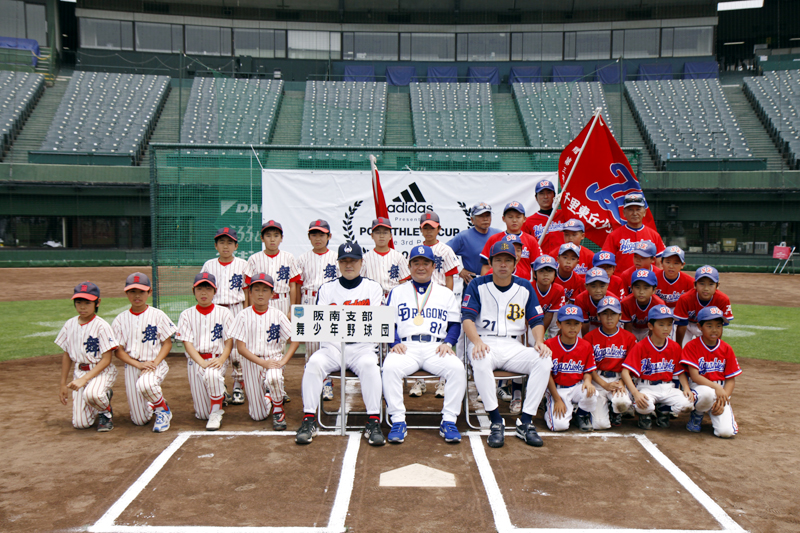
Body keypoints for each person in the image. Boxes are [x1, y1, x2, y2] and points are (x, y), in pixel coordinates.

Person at [462, 240, 553, 448]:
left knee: (543, 360)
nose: (503, 264)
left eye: (508, 260)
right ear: (491, 262)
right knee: (480, 358)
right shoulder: (477, 285)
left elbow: (536, 320)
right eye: (498, 260)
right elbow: (467, 318)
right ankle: (496, 421)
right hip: (485, 342)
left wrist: (539, 341)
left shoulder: (525, 286)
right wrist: (476, 341)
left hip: (514, 346)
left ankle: (526, 421)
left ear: (515, 263)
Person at [296, 242, 386, 446]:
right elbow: (320, 322)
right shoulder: (327, 289)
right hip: (333, 347)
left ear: (361, 263)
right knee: (314, 363)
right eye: (344, 261)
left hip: (362, 347)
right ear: (338, 263)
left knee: (371, 366)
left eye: (353, 260)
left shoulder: (373, 288)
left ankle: (373, 421)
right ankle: (309, 419)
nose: (348, 265)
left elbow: (374, 322)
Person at [383, 245, 465, 444]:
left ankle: (449, 420)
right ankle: (398, 420)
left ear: (433, 266)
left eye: (426, 263)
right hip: (406, 347)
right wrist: (394, 341)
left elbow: (455, 323)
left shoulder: (445, 293)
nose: (421, 267)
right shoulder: (397, 292)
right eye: (416, 263)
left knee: (457, 369)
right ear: (409, 267)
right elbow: (387, 322)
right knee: (389, 368)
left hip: (435, 347)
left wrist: (449, 342)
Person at [230, 273, 300, 431]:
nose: (260, 294)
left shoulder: (278, 315)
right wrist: (263, 363)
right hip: (251, 362)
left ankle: (278, 409)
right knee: (257, 415)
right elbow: (241, 348)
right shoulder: (243, 315)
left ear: (272, 294)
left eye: (265, 290)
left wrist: (283, 361)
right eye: (256, 289)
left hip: (273, 359)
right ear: (250, 293)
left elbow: (295, 340)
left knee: (274, 377)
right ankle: (270, 395)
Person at [112, 272, 177, 432]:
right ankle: (153, 402)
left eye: (141, 291)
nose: (137, 296)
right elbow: (118, 351)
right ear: (126, 293)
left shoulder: (157, 315)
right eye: (132, 291)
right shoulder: (120, 319)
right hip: (132, 366)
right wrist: (138, 365)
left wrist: (155, 363)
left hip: (154, 364)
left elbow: (167, 343)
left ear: (149, 292)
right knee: (139, 420)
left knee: (145, 384)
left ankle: (163, 410)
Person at [176, 272, 235, 431]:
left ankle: (216, 412)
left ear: (215, 291)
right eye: (200, 288)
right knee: (202, 414)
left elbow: (229, 341)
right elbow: (187, 343)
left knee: (212, 375)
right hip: (195, 361)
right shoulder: (186, 315)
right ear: (193, 291)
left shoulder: (224, 313)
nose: (204, 293)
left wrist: (222, 359)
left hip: (216, 359)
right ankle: (220, 392)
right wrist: (201, 362)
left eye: (208, 289)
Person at [56, 282, 118, 431]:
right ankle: (99, 399)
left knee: (92, 394)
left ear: (97, 302)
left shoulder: (102, 326)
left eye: (87, 303)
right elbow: (67, 355)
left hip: (101, 372)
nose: (82, 307)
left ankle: (105, 411)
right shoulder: (69, 325)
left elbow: (107, 359)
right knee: (80, 424)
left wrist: (84, 379)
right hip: (79, 372)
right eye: (79, 302)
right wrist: (63, 383)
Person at [620, 306, 694, 430]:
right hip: (646, 387)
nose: (666, 328)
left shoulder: (675, 347)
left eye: (669, 324)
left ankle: (663, 409)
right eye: (661, 324)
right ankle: (645, 414)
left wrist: (686, 388)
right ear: (650, 326)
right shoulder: (641, 346)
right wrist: (635, 393)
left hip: (668, 387)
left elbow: (680, 372)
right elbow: (625, 372)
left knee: (688, 404)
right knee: (645, 405)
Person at [412, 212, 460, 398]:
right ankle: (420, 381)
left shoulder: (445, 250)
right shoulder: (418, 249)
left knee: (441, 339)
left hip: (439, 298)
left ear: (439, 229)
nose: (429, 231)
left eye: (432, 227)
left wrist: (446, 300)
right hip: (421, 300)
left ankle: (443, 381)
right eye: (425, 227)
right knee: (421, 339)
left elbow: (450, 278)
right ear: (421, 229)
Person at [200, 227, 247, 405]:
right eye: (221, 242)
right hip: (216, 310)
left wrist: (246, 312)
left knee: (236, 351)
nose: (225, 246)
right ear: (216, 245)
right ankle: (219, 386)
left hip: (236, 308)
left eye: (229, 242)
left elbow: (247, 291)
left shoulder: (243, 264)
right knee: (217, 348)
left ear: (236, 246)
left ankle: (238, 385)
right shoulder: (209, 265)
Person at [681, 306, 741, 438]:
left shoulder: (726, 348)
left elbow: (730, 379)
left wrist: (723, 398)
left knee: (726, 432)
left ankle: (713, 410)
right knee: (707, 393)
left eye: (718, 326)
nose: (715, 330)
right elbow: (695, 376)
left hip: (720, 392)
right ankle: (698, 414)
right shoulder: (692, 346)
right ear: (699, 327)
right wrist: (716, 387)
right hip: (700, 388)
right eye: (709, 325)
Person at [297, 219, 340, 401]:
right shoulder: (302, 259)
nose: (318, 238)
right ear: (309, 237)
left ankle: (327, 382)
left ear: (329, 236)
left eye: (321, 234)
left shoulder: (336, 258)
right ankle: (312, 383)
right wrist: (297, 309)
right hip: (308, 299)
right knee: (312, 346)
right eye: (314, 234)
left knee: (328, 345)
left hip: (330, 302)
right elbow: (297, 285)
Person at [583, 296, 637, 429]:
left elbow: (630, 366)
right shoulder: (589, 337)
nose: (609, 318)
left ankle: (615, 410)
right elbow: (589, 367)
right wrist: (604, 384)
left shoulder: (629, 338)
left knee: (622, 402)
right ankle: (602, 407)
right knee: (600, 425)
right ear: (598, 316)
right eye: (605, 313)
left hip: (619, 379)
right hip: (598, 380)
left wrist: (622, 382)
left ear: (620, 316)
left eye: (613, 313)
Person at [543, 305, 597, 432]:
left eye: (576, 323)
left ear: (581, 325)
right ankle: (549, 407)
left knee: (591, 392)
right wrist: (557, 399)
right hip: (557, 389)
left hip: (576, 387)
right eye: (568, 323)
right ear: (559, 324)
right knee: (559, 426)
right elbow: (547, 375)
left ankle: (581, 415)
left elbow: (588, 370)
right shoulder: (549, 344)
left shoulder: (586, 346)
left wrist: (588, 381)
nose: (572, 327)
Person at [243, 220, 300, 317]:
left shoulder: (289, 257)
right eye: (268, 236)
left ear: (281, 238)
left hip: (283, 300)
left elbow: (293, 286)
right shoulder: (254, 259)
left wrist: (292, 309)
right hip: (262, 302)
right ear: (262, 238)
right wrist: (252, 308)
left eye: (276, 236)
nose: (272, 239)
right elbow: (250, 287)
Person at [601, 192, 665, 272]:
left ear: (644, 212)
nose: (635, 213)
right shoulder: (613, 236)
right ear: (624, 213)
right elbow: (606, 263)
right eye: (630, 210)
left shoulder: (654, 235)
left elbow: (660, 263)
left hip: (647, 278)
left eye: (638, 209)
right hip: (622, 279)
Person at [480, 201, 543, 280]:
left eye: (518, 217)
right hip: (498, 282)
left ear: (524, 219)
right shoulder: (494, 239)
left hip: (522, 283)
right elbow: (486, 266)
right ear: (503, 219)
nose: (514, 220)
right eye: (510, 217)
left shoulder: (531, 240)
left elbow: (538, 267)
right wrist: (484, 283)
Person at [674, 266, 734, 347]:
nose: (706, 288)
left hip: (708, 326)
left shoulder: (723, 299)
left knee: (707, 349)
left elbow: (719, 326)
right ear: (695, 284)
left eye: (711, 284)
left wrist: (716, 346)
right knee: (684, 349)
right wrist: (679, 347)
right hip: (688, 325)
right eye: (702, 283)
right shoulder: (685, 298)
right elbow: (682, 325)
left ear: (717, 285)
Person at [447, 202, 500, 288]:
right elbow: (443, 252)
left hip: (497, 281)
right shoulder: (464, 237)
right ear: (472, 220)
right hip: (472, 282)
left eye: (487, 215)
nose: (485, 219)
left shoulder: (499, 234)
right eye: (481, 216)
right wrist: (459, 270)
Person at [361, 217, 410, 300]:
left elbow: (403, 283)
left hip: (394, 297)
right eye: (378, 232)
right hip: (372, 298)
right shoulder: (365, 258)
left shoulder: (398, 257)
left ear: (390, 236)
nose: (381, 236)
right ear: (372, 236)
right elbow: (361, 283)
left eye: (385, 232)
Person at [521, 179, 566, 254]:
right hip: (540, 260)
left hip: (562, 259)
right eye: (541, 193)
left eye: (549, 193)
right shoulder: (528, 222)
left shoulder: (564, 215)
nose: (546, 196)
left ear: (554, 195)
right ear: (536, 197)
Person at [621, 269, 666, 341]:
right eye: (637, 287)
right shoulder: (626, 303)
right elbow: (627, 326)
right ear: (631, 288)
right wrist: (630, 342)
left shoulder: (659, 304)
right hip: (633, 328)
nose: (641, 292)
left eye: (646, 288)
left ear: (654, 290)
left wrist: (649, 342)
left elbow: (654, 328)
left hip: (649, 329)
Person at [531, 255, 566, 340]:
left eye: (550, 271)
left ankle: (553, 340)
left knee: (558, 316)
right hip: (531, 319)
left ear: (555, 274)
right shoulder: (528, 288)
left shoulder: (558, 290)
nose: (546, 274)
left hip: (549, 317)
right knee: (531, 338)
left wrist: (541, 335)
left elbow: (549, 315)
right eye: (541, 271)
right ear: (534, 274)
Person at [573, 267, 614, 336]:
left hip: (607, 325)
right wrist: (586, 340)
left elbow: (613, 324)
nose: (598, 290)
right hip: (588, 325)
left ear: (607, 285)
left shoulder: (613, 300)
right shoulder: (580, 299)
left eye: (602, 286)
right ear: (586, 286)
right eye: (593, 286)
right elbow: (584, 324)